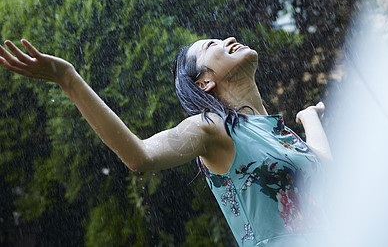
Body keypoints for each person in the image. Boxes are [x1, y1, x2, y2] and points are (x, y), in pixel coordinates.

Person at [0, 37, 331, 246]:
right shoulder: (212, 128)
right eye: (211, 45)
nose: (229, 39)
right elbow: (139, 155)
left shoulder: (277, 132)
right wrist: (68, 79)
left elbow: (326, 169)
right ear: (204, 83)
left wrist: (308, 117)